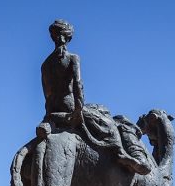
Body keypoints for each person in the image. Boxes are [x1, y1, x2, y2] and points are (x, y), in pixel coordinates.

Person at [36, 19, 151, 175]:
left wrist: (49, 115)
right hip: (71, 110)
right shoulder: (73, 58)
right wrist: (78, 111)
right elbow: (78, 85)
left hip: (52, 113)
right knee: (108, 124)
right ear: (67, 38)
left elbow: (47, 93)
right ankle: (121, 153)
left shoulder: (45, 64)